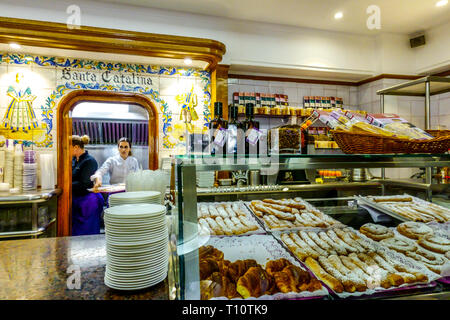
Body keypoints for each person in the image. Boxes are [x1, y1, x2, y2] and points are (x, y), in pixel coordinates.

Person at [71, 135, 104, 236]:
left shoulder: (89, 161)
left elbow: (84, 184)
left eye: (68, 148)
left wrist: (66, 185)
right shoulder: (74, 160)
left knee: (88, 234)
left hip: (88, 202)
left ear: (76, 147)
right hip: (77, 200)